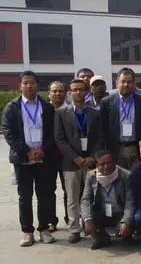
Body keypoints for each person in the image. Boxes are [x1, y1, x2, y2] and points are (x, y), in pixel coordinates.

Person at [4, 71, 58, 246]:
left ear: (37, 85)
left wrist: (44, 150)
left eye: (32, 83)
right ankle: (27, 231)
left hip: (44, 159)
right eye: (25, 83)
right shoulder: (12, 107)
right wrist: (27, 151)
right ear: (20, 85)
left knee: (45, 195)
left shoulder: (47, 107)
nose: (29, 86)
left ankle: (44, 228)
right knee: (24, 196)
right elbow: (10, 134)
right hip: (23, 159)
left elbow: (53, 133)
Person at [55, 79, 102, 243]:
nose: (77, 93)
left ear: (86, 91)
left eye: (81, 90)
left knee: (93, 196)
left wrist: (92, 157)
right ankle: (74, 229)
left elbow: (99, 137)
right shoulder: (61, 113)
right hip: (71, 162)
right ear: (69, 92)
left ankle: (94, 225)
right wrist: (75, 158)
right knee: (72, 197)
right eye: (74, 90)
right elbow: (59, 139)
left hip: (90, 162)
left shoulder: (95, 113)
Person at [99, 68, 141, 169]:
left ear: (134, 84)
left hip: (137, 149)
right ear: (117, 83)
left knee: (137, 181)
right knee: (118, 181)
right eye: (123, 81)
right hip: (116, 149)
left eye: (129, 82)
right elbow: (102, 128)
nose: (126, 85)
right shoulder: (106, 102)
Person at [80, 150, 136, 250]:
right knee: (86, 218)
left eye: (109, 162)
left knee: (133, 218)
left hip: (120, 212)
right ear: (96, 165)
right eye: (102, 164)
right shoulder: (91, 176)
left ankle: (126, 235)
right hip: (102, 212)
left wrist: (126, 221)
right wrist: (87, 219)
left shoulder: (125, 175)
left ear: (114, 162)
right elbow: (86, 199)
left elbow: (130, 201)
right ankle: (102, 238)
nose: (106, 166)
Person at [48, 81, 68, 229]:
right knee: (48, 190)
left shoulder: (70, 110)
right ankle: (51, 220)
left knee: (69, 189)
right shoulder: (43, 110)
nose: (57, 94)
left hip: (67, 157)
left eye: (60, 91)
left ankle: (70, 219)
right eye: (54, 91)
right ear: (49, 93)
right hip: (47, 156)